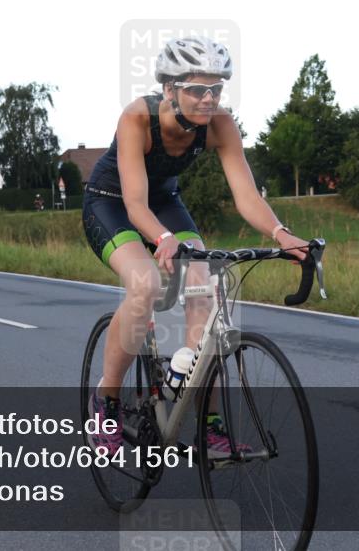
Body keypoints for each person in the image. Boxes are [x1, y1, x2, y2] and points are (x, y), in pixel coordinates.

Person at [82, 36, 310, 456]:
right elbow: (134, 202)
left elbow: (246, 196)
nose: (209, 99)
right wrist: (162, 239)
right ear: (169, 89)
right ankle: (106, 402)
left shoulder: (220, 125)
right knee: (146, 284)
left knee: (205, 284)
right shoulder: (137, 117)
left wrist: (280, 233)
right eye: (197, 89)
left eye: (217, 89)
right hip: (112, 203)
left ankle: (207, 420)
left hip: (166, 202)